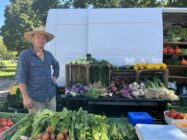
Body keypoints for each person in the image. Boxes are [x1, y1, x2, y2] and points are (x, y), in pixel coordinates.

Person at [15, 27, 60, 114]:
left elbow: (56, 65)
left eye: (43, 38)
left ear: (45, 40)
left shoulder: (48, 55)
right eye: (38, 37)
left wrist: (55, 77)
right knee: (38, 125)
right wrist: (25, 97)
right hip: (35, 100)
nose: (41, 40)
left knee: (53, 124)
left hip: (51, 98)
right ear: (33, 39)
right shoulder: (25, 55)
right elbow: (21, 77)